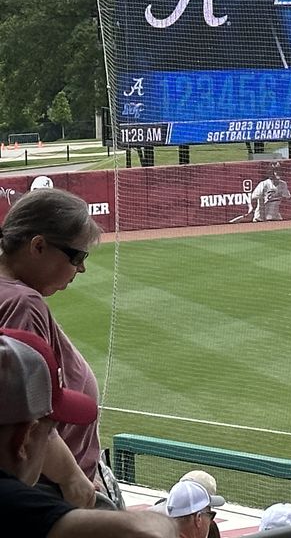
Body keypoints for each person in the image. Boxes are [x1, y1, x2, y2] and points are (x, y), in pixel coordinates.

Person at [0, 328, 176, 538]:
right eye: (51, 432)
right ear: (25, 438)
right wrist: (166, 523)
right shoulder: (10, 501)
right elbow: (145, 531)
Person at [0, 188, 103, 508]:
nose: (81, 268)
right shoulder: (22, 302)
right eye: (77, 256)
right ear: (39, 246)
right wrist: (73, 479)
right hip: (49, 486)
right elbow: (29, 411)